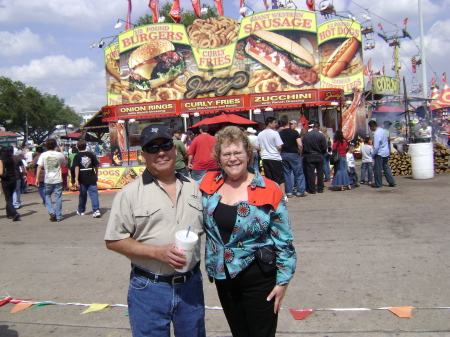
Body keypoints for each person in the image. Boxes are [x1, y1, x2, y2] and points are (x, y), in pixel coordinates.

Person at [105, 124, 205, 337]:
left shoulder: (194, 187)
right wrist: (157, 252)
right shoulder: (129, 193)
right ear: (143, 156)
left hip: (191, 285)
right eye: (152, 148)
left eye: (166, 145)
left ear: (175, 149)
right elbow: (114, 240)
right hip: (149, 287)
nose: (160, 152)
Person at [199, 126, 296, 337]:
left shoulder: (268, 189)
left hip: (259, 278)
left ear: (248, 155)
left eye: (238, 153)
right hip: (224, 277)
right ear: (219, 158)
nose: (233, 159)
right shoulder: (208, 183)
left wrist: (283, 282)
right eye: (226, 154)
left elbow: (284, 240)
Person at [36, 138, 67, 222]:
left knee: (47, 195)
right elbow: (65, 162)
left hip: (48, 179)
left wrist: (37, 178)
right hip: (57, 178)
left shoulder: (43, 155)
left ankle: (51, 211)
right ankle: (58, 215)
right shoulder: (59, 154)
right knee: (58, 197)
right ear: (55, 145)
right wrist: (61, 151)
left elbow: (39, 166)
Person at [257, 117, 286, 197]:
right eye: (274, 122)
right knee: (280, 178)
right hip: (275, 157)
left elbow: (257, 146)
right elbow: (279, 146)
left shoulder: (260, 134)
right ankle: (283, 195)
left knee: (269, 178)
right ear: (270, 123)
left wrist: (264, 148)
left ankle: (272, 194)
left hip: (265, 157)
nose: (275, 124)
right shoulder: (275, 133)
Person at [279, 116, 306, 197]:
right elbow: (300, 144)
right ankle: (300, 191)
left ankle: (289, 192)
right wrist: (300, 153)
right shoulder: (294, 132)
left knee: (286, 173)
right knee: (299, 173)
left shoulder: (279, 133)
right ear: (288, 123)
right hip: (294, 154)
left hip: (283, 154)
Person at [73, 140, 101, 218]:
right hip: (91, 176)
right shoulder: (90, 154)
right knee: (94, 194)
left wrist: (76, 178)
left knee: (82, 195)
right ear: (86, 146)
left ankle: (81, 210)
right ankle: (96, 210)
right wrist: (96, 174)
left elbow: (77, 167)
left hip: (82, 177)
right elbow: (96, 165)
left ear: (78, 147)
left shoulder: (77, 156)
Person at [368, 120, 397, 188]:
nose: (370, 129)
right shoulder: (382, 130)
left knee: (378, 169)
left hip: (380, 152)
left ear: (372, 126)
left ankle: (378, 184)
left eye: (370, 127)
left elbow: (376, 146)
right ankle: (392, 182)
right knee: (386, 167)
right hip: (385, 151)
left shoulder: (376, 133)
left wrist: (373, 154)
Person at [302, 122, 327, 194]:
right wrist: (322, 153)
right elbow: (324, 147)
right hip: (319, 155)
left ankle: (312, 189)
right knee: (320, 172)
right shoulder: (321, 135)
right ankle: (320, 188)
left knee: (310, 173)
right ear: (318, 127)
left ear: (313, 127)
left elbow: (303, 145)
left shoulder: (307, 135)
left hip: (309, 155)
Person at [0, 147, 21, 221]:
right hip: (13, 179)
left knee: (8, 198)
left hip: (6, 180)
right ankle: (9, 214)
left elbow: (1, 172)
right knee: (10, 197)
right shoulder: (11, 160)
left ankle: (14, 213)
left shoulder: (2, 161)